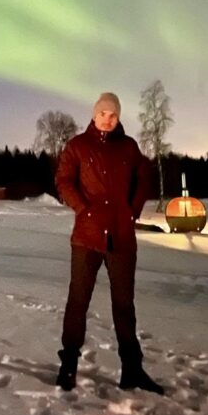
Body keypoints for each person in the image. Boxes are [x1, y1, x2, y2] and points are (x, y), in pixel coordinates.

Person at [53, 92, 164, 395]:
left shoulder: (128, 147)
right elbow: (63, 180)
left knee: (124, 305)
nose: (108, 119)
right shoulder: (77, 146)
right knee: (78, 300)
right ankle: (69, 364)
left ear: (118, 117)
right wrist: (82, 208)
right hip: (87, 237)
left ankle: (132, 369)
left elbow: (144, 175)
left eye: (113, 114)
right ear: (94, 114)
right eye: (103, 113)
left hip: (122, 237)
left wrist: (133, 209)